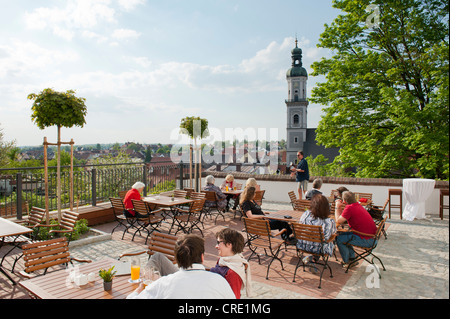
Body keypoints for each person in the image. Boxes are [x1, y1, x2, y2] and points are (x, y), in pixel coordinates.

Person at [126, 234, 235, 299]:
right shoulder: (220, 282)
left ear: (177, 259)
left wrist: (139, 290)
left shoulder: (163, 285)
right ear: (202, 257)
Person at [334, 191, 377, 267]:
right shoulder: (357, 205)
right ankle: (351, 258)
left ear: (344, 201)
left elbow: (338, 221)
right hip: (371, 237)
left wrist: (337, 206)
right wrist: (340, 207)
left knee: (339, 238)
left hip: (367, 240)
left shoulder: (349, 208)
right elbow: (341, 219)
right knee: (344, 235)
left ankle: (347, 261)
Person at [297, 194, 337, 272]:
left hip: (303, 245)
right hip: (320, 249)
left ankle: (312, 258)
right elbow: (332, 234)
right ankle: (313, 258)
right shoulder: (329, 222)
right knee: (328, 240)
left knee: (316, 239)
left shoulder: (305, 215)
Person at [210, 228, 252, 299]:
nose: (216, 246)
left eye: (218, 242)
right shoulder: (223, 260)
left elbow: (234, 297)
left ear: (229, 244)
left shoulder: (233, 272)